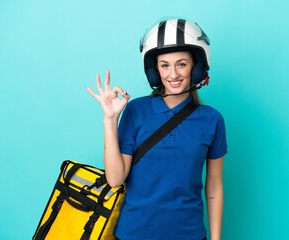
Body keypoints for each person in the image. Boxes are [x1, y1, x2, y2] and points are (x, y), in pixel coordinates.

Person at [86, 18, 227, 240]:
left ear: (197, 68)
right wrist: (110, 120)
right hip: (133, 234)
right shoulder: (135, 111)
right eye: (164, 65)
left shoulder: (212, 120)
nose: (173, 74)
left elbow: (214, 188)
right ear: (155, 70)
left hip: (188, 234)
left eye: (182, 64)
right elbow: (115, 179)